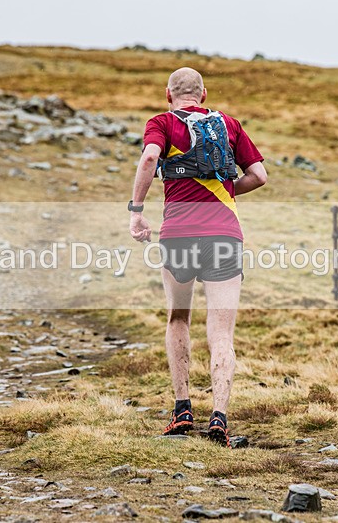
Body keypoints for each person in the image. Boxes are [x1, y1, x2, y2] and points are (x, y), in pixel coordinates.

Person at [128, 67, 268, 447]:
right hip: (225, 234)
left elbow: (148, 159)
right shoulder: (230, 125)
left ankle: (182, 408)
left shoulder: (162, 122)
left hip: (178, 236)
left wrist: (136, 210)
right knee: (221, 332)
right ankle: (219, 417)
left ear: (167, 94)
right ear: (203, 94)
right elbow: (259, 176)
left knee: (178, 317)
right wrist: (225, 188)